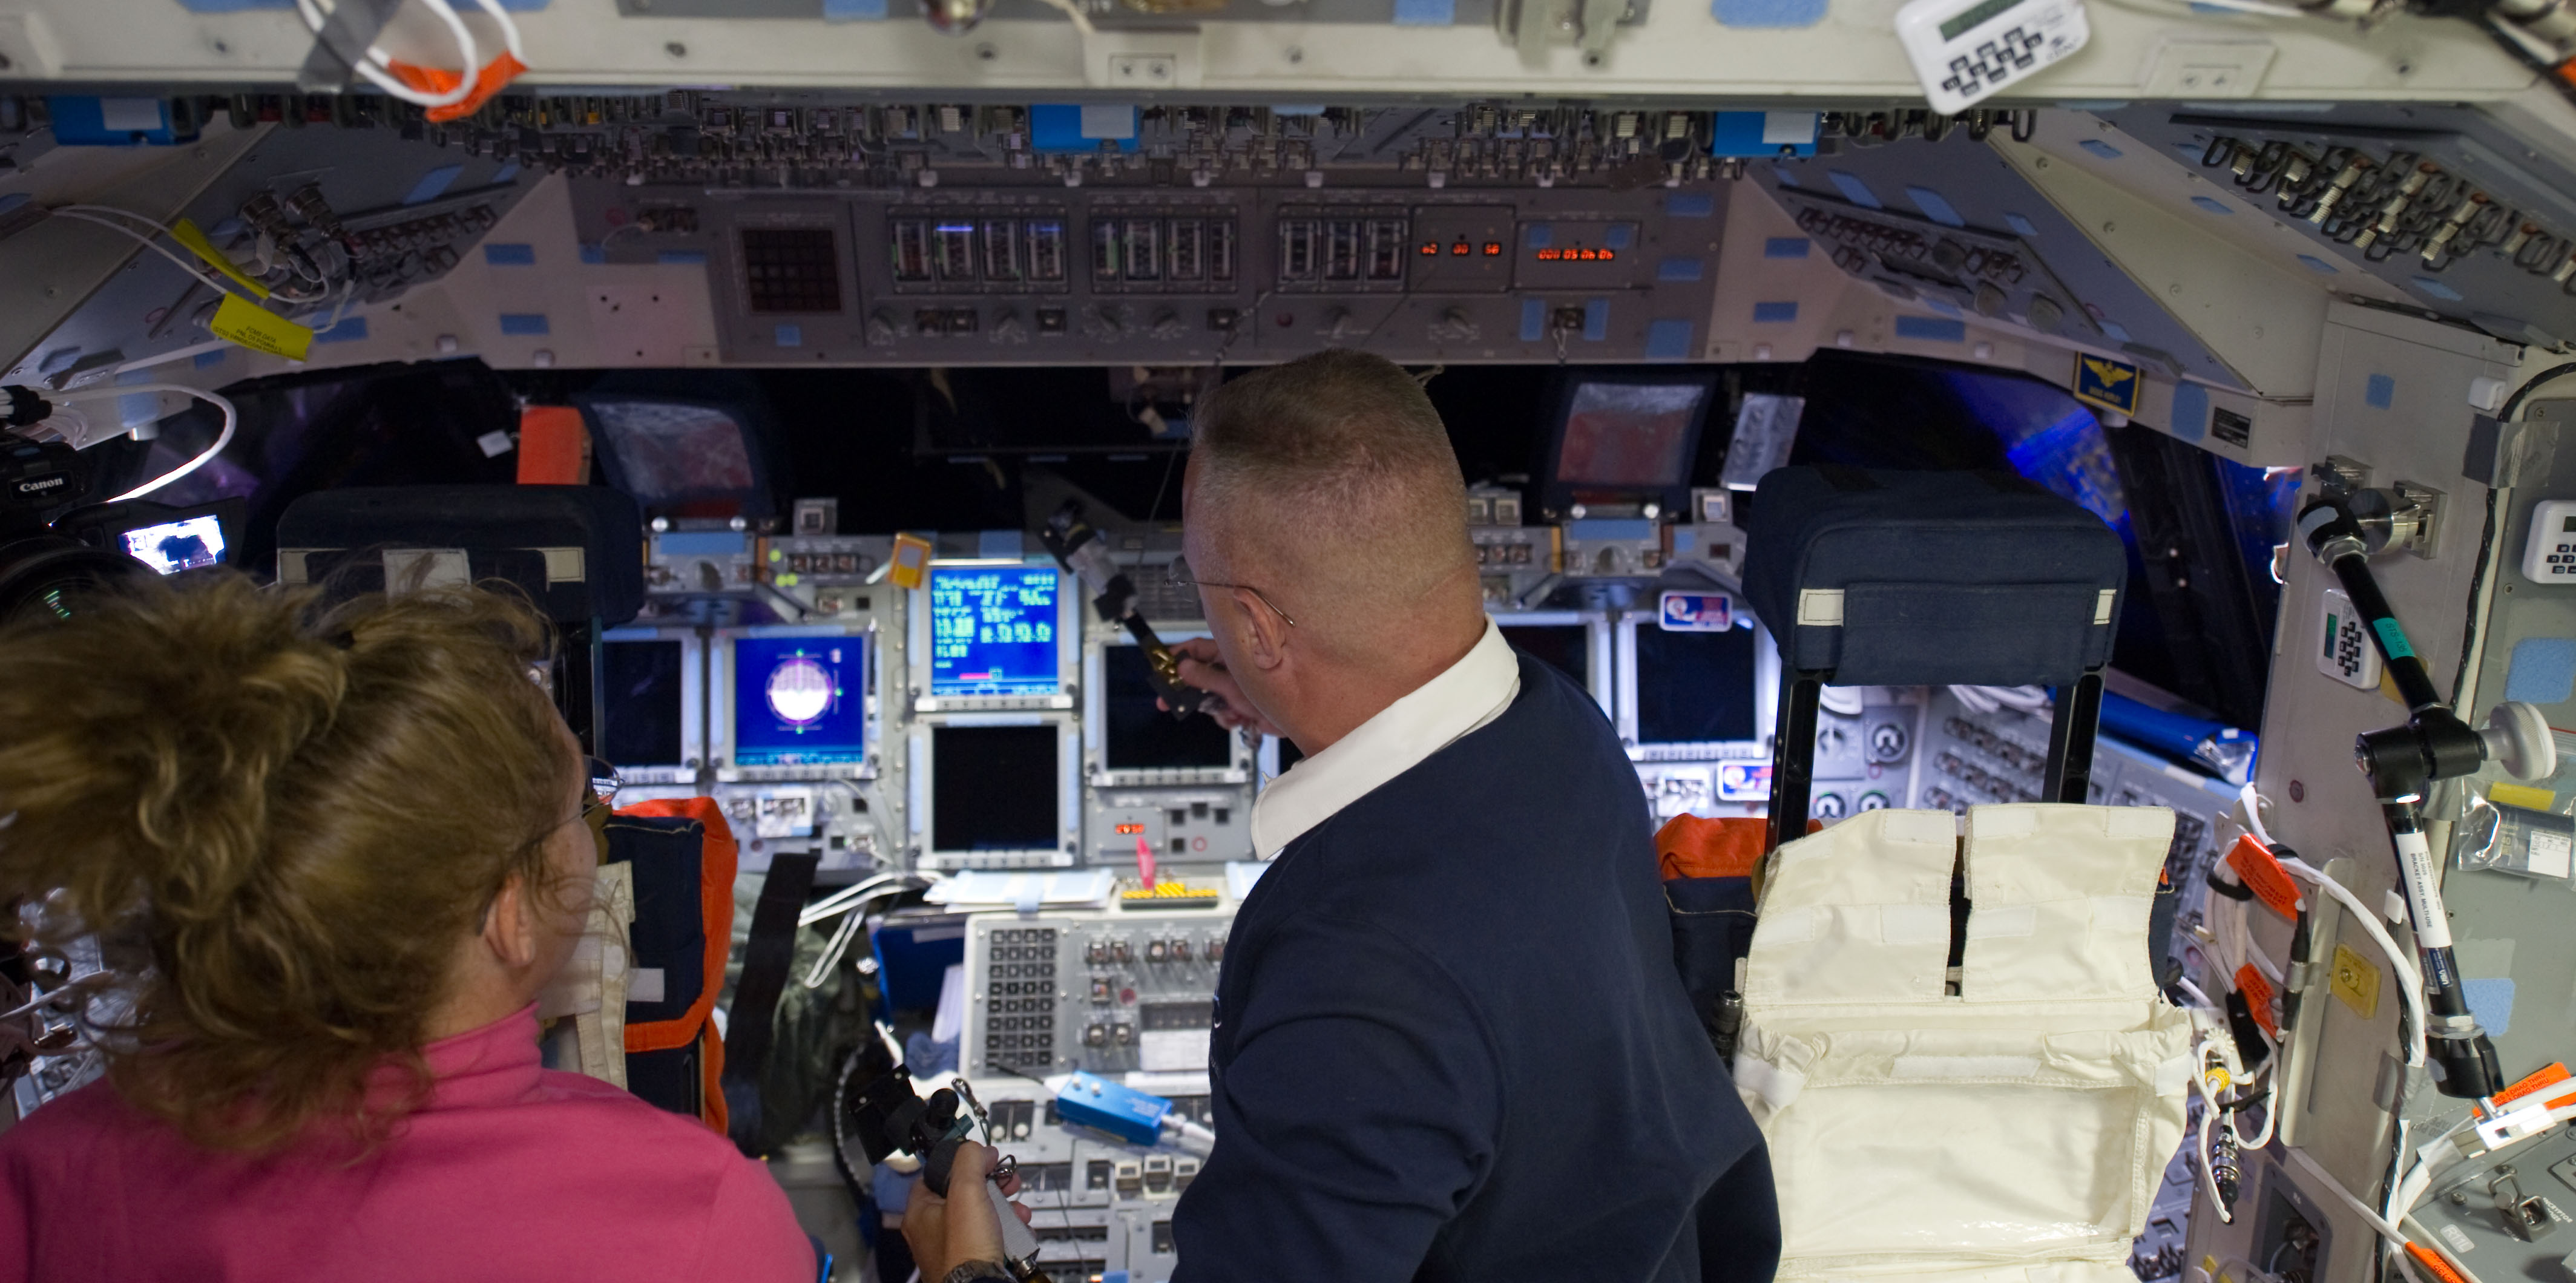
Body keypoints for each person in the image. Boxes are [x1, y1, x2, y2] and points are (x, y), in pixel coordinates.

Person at [910, 350, 1778, 1283]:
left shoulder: (1356, 979)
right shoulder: (1561, 724)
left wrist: (966, 1273)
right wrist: (1286, 699)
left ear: (1259, 628)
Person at [0, 574, 816, 1282]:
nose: (596, 830)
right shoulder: (697, 1215)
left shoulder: (44, 1175)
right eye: (583, 806)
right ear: (508, 911)